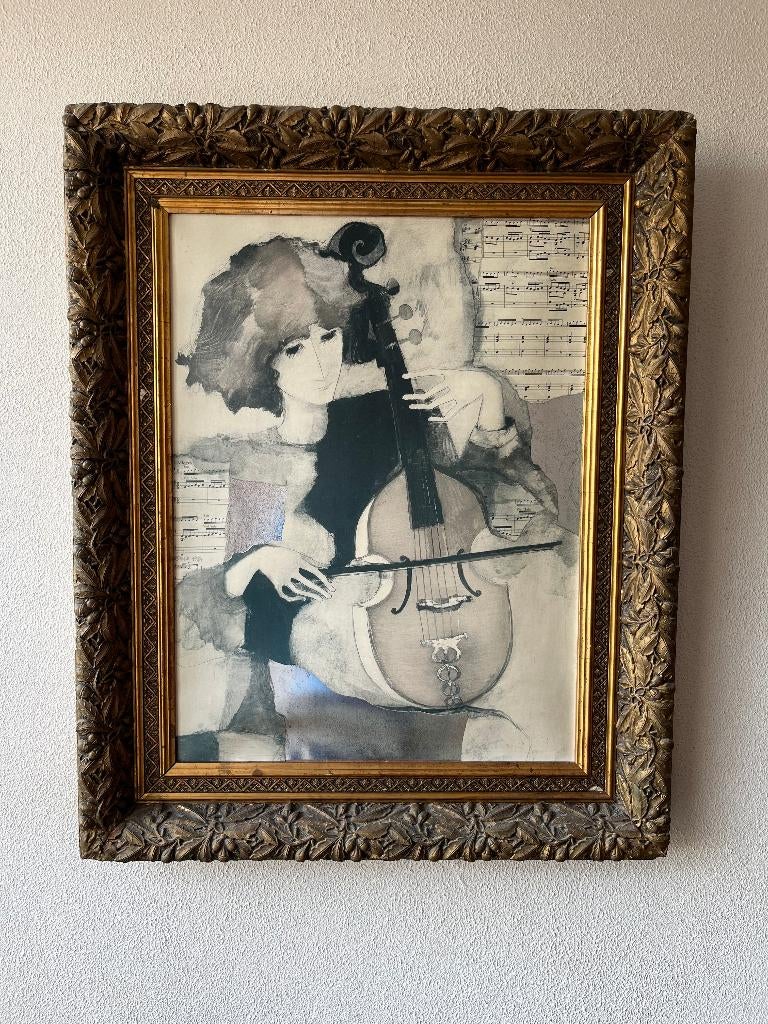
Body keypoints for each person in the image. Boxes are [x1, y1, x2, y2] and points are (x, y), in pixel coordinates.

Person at [175, 229, 571, 762]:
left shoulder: (384, 421)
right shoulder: (254, 465)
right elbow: (202, 605)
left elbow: (496, 494)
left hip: (417, 646)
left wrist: (488, 397)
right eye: (294, 348)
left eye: (328, 337)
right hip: (319, 679)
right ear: (261, 363)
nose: (321, 362)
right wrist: (259, 559)